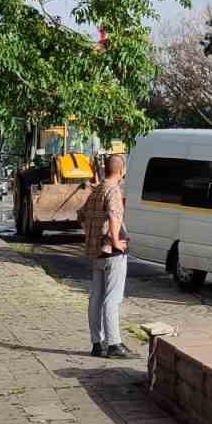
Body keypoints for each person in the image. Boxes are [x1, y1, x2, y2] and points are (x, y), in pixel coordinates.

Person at [81, 153, 131, 358]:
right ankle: (114, 344)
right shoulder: (113, 191)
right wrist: (116, 240)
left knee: (96, 297)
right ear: (122, 170)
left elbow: (81, 215)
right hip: (111, 251)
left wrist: (91, 233)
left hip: (95, 253)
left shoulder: (96, 190)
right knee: (112, 298)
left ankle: (96, 343)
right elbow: (113, 214)